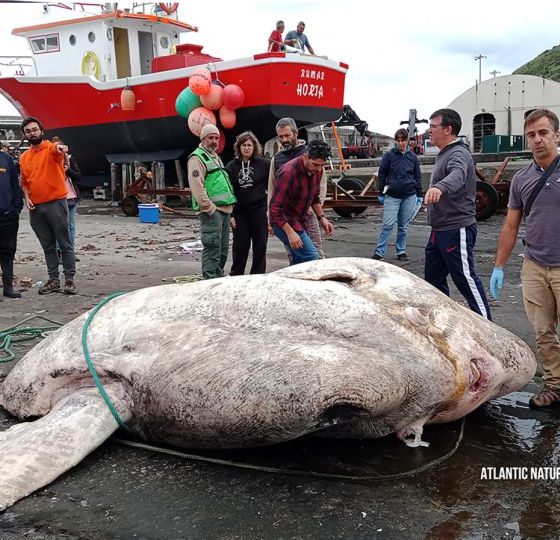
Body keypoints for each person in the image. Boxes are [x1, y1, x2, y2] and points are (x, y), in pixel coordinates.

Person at [489, 108, 560, 408]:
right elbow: (511, 225)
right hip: (534, 265)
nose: (537, 139)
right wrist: (499, 266)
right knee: (543, 331)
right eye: (531, 135)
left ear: (557, 135)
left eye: (543, 132)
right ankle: (555, 385)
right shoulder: (521, 179)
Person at [423, 108, 491, 320]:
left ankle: (488, 327)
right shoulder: (445, 153)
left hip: (456, 228)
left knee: (465, 279)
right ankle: (443, 322)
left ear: (448, 129)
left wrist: (439, 187)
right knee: (433, 281)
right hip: (439, 229)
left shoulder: (458, 153)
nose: (429, 130)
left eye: (434, 126)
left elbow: (458, 175)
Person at [19, 117, 77, 295]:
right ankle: (54, 280)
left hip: (56, 203)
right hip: (36, 208)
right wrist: (27, 198)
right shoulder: (24, 157)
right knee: (48, 246)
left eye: (35, 130)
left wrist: (60, 147)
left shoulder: (51, 149)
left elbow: (56, 148)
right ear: (25, 135)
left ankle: (69, 280)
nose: (32, 133)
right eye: (28, 131)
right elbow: (24, 182)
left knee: (65, 243)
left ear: (41, 131)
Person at [268, 117, 327, 257]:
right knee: (295, 252)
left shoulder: (313, 156)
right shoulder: (277, 159)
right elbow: (272, 188)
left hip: (308, 213)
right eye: (280, 136)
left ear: (296, 133)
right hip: (286, 216)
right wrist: (270, 217)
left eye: (287, 135)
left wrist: (318, 214)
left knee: (316, 251)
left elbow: (320, 186)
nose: (284, 140)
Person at [188, 123, 236, 279]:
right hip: (212, 211)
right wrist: (209, 208)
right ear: (203, 139)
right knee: (212, 247)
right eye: (210, 138)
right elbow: (197, 185)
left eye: (216, 138)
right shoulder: (197, 158)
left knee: (222, 249)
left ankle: (218, 277)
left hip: (224, 210)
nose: (214, 141)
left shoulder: (215, 157)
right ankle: (209, 279)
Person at [373, 128, 423, 261]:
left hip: (409, 196)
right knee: (387, 225)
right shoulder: (389, 156)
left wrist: (419, 195)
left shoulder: (413, 158)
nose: (400, 143)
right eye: (398, 140)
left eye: (403, 140)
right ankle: (379, 252)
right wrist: (381, 192)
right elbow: (382, 174)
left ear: (407, 141)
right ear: (395, 141)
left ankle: (401, 251)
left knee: (403, 226)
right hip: (392, 196)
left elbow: (417, 176)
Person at [225, 131, 270, 275]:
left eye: (249, 145)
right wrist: (231, 214)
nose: (246, 148)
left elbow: (272, 187)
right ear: (239, 147)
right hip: (240, 213)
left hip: (259, 210)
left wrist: (270, 210)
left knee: (260, 245)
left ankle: (258, 275)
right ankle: (236, 274)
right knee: (240, 246)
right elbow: (228, 191)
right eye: (244, 145)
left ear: (254, 147)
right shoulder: (231, 166)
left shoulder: (265, 164)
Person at [52, 136, 82, 260]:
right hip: (58, 198)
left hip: (71, 197)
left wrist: (67, 170)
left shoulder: (69, 159)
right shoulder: (50, 161)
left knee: (71, 226)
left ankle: (70, 252)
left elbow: (78, 176)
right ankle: (59, 252)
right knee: (59, 227)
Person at [0, 147, 23, 299]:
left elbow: (15, 184)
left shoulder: (6, 158)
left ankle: (8, 287)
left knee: (8, 251)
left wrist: (16, 208)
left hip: (7, 215)